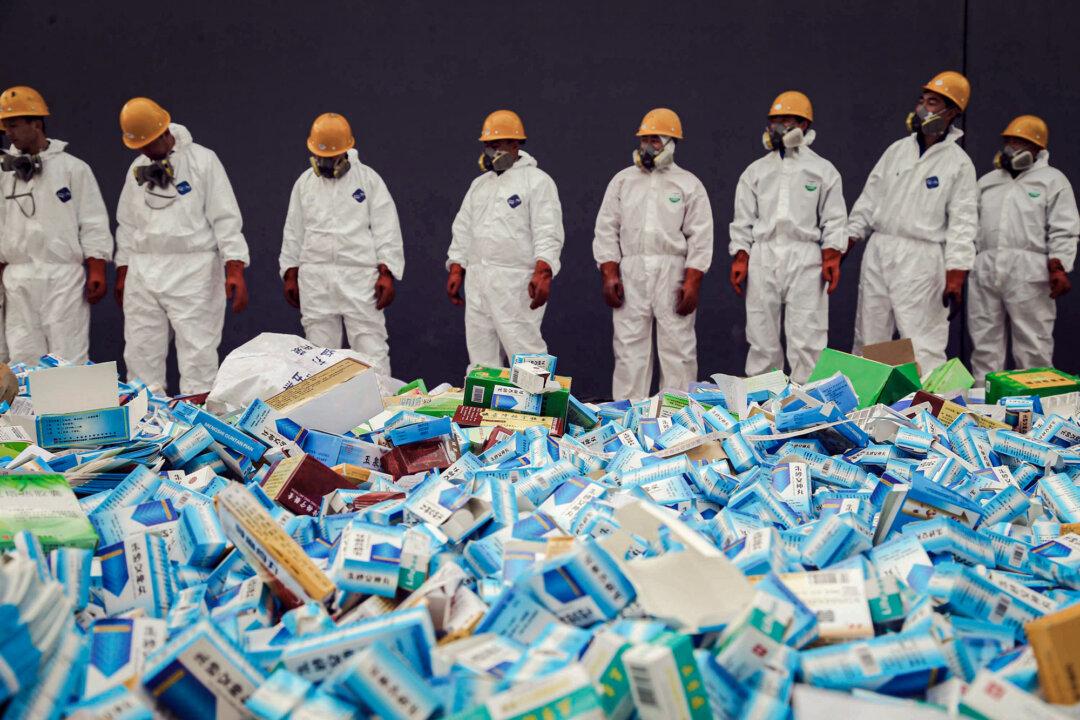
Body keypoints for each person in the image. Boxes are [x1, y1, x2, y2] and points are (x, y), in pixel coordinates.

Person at [115, 97, 250, 396]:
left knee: (198, 354)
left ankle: (198, 432)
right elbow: (126, 224)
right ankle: (147, 428)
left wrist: (235, 268)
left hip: (194, 268)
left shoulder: (202, 161)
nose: (145, 151)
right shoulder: (138, 169)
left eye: (149, 143)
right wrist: (123, 270)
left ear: (164, 132)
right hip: (144, 267)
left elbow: (226, 218)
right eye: (141, 146)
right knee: (140, 353)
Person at [847, 71, 978, 373]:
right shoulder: (897, 150)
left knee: (921, 339)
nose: (924, 109)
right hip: (881, 249)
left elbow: (963, 221)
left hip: (923, 256)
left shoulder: (958, 163)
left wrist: (956, 271)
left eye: (933, 103)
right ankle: (870, 409)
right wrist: (848, 240)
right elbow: (868, 200)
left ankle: (930, 415)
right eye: (923, 101)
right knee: (871, 334)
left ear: (953, 112)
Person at [593, 108, 713, 399]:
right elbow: (606, 228)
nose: (648, 146)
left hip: (672, 271)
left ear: (671, 143)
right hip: (631, 269)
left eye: (655, 141)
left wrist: (693, 280)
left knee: (678, 347)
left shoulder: (688, 184)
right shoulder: (623, 181)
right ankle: (627, 419)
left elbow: (701, 234)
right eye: (645, 139)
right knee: (629, 348)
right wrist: (609, 273)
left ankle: (677, 419)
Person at [729, 92, 847, 384]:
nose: (778, 127)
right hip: (763, 254)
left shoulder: (822, 170)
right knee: (761, 335)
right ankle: (762, 405)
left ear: (804, 125)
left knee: (807, 336)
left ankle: (808, 407)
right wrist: (741, 257)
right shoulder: (756, 171)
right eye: (774, 121)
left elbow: (834, 218)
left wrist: (832, 255)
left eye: (786, 121)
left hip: (805, 255)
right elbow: (743, 219)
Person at [280, 113, 403, 376]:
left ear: (346, 152)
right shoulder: (305, 184)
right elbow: (294, 229)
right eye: (321, 157)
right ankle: (321, 413)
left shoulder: (368, 180)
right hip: (315, 276)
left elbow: (386, 227)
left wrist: (387, 271)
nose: (325, 163)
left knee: (370, 346)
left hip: (358, 274)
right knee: (316, 355)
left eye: (331, 157)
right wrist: (290, 271)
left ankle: (380, 410)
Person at [0, 85, 112, 365]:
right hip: (18, 276)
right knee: (22, 354)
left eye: (13, 125)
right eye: (5, 127)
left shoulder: (73, 168)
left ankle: (74, 408)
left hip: (63, 275)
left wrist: (96, 266)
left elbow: (93, 219)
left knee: (67, 352)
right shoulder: (4, 172)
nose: (8, 133)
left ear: (36, 123)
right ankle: (26, 410)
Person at [446, 110, 564, 368]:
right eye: (487, 145)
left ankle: (539, 405)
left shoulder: (536, 181)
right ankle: (485, 407)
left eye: (496, 145)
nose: (490, 151)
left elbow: (548, 229)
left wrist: (544, 271)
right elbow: (463, 227)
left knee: (525, 350)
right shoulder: (480, 185)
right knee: (480, 354)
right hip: (478, 279)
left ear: (515, 144)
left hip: (515, 281)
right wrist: (457, 267)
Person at [968, 115, 1078, 381]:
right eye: (1009, 141)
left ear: (1038, 149)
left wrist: (1059, 265)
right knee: (984, 343)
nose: (1012, 148)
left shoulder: (1052, 180)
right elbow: (969, 223)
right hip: (985, 267)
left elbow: (1064, 227)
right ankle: (986, 406)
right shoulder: (988, 181)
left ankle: (1036, 411)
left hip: (1030, 270)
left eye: (1020, 142)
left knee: (1033, 342)